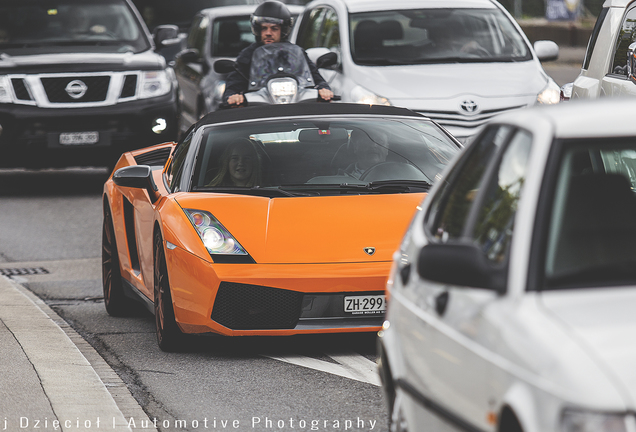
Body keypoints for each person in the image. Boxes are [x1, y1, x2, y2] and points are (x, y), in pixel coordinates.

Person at [223, 0, 333, 106]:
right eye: (264, 28)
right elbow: (234, 82)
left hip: (295, 106)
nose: (268, 33)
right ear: (257, 30)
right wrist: (233, 95)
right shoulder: (248, 54)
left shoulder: (296, 53)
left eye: (274, 28)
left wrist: (323, 89)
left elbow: (315, 76)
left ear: (283, 30)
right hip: (259, 110)